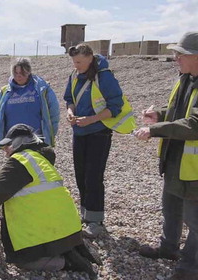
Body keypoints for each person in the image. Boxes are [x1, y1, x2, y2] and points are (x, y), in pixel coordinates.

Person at [134, 32, 198, 280]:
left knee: (197, 222)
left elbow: (196, 126)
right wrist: (159, 115)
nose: (176, 58)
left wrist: (154, 130)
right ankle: (169, 249)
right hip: (176, 159)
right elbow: (178, 111)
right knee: (170, 208)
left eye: (181, 54)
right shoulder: (187, 78)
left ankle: (189, 270)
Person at [0, 123, 101, 278]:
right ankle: (71, 250)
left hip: (49, 233)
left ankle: (67, 262)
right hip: (66, 229)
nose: (5, 151)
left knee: (22, 261)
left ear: (19, 142)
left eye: (7, 145)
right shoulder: (38, 159)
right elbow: (24, 190)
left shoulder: (21, 160)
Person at [63, 43, 135, 238]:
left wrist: (91, 119)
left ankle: (96, 221)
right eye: (74, 62)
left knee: (93, 176)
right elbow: (69, 98)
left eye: (79, 62)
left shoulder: (105, 76)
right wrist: (71, 112)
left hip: (99, 133)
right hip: (79, 132)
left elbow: (116, 106)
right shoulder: (74, 75)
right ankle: (86, 215)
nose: (76, 65)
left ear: (89, 58)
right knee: (80, 175)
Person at [0, 57, 60, 147]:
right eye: (15, 73)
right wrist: (2, 140)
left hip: (37, 140)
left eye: (22, 73)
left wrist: (50, 135)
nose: (18, 76)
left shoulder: (42, 89)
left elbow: (54, 113)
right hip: (12, 142)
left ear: (29, 72)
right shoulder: (4, 92)